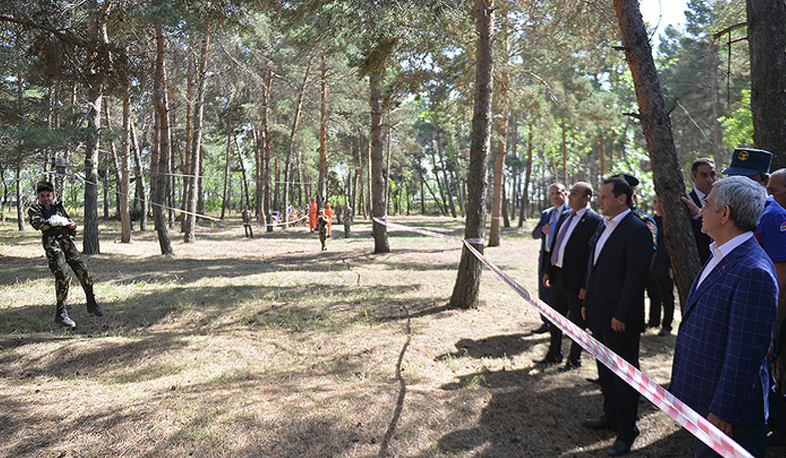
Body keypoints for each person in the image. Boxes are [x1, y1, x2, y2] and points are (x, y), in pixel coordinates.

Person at [670, 176, 778, 458]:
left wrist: (723, 411)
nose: (701, 209)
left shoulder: (753, 271)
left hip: (729, 416)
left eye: (706, 204)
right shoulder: (722, 252)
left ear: (725, 213)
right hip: (707, 400)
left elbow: (746, 354)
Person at [580, 176, 653, 456]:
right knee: (605, 370)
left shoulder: (637, 229)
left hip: (621, 318)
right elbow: (595, 265)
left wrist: (621, 313)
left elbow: (636, 279)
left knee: (624, 374)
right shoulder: (604, 224)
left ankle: (627, 430)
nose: (600, 201)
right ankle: (610, 416)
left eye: (605, 196)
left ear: (622, 198)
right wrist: (588, 301)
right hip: (599, 313)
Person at [537, 182, 601, 370]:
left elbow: (591, 257)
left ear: (586, 198)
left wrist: (585, 285)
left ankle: (575, 359)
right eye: (570, 192)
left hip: (576, 282)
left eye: (575, 193)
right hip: (557, 276)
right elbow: (556, 243)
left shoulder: (594, 221)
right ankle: (554, 353)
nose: (570, 196)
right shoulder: (566, 215)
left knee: (576, 322)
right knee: (555, 318)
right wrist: (549, 269)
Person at [28, 181, 105, 328]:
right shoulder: (35, 209)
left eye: (48, 195)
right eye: (42, 196)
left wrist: (72, 225)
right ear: (38, 197)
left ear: (53, 195)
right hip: (53, 245)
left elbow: (71, 228)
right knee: (63, 275)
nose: (46, 199)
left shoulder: (58, 208)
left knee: (84, 271)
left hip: (67, 243)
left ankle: (91, 302)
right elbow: (38, 224)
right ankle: (61, 313)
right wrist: (54, 223)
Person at [531, 183, 568, 334]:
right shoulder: (547, 213)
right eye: (552, 193)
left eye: (559, 192)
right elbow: (534, 234)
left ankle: (565, 324)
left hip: (563, 258)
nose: (555, 196)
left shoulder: (572, 213)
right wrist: (542, 230)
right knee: (544, 290)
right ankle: (546, 322)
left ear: (565, 194)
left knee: (563, 291)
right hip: (546, 257)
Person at [646, 195, 675, 336]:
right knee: (653, 294)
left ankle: (667, 325)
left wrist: (671, 265)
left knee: (667, 296)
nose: (657, 205)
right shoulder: (651, 220)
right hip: (651, 264)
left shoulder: (670, 222)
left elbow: (673, 245)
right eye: (655, 202)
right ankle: (653, 321)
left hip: (664, 264)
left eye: (660, 202)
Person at [681, 157, 717, 264]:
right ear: (693, 178)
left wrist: (698, 213)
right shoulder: (686, 201)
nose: (709, 180)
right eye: (703, 175)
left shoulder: (722, 200)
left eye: (712, 174)